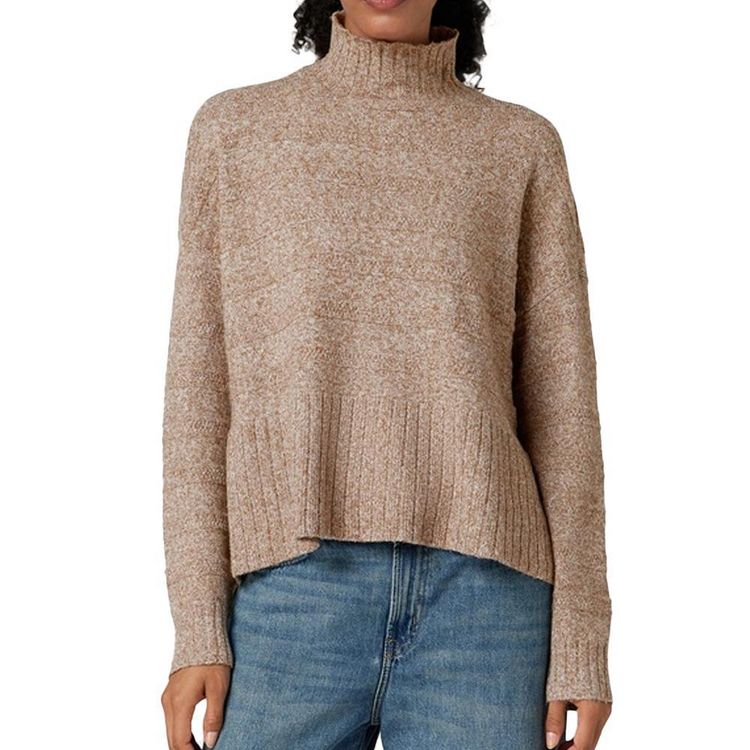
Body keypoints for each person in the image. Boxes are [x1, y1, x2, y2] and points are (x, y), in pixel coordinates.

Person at [159, 1, 614, 748]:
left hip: (487, 606)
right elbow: (198, 392)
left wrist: (582, 643)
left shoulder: (518, 145)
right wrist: (197, 626)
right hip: (290, 589)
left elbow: (564, 409)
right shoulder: (237, 131)